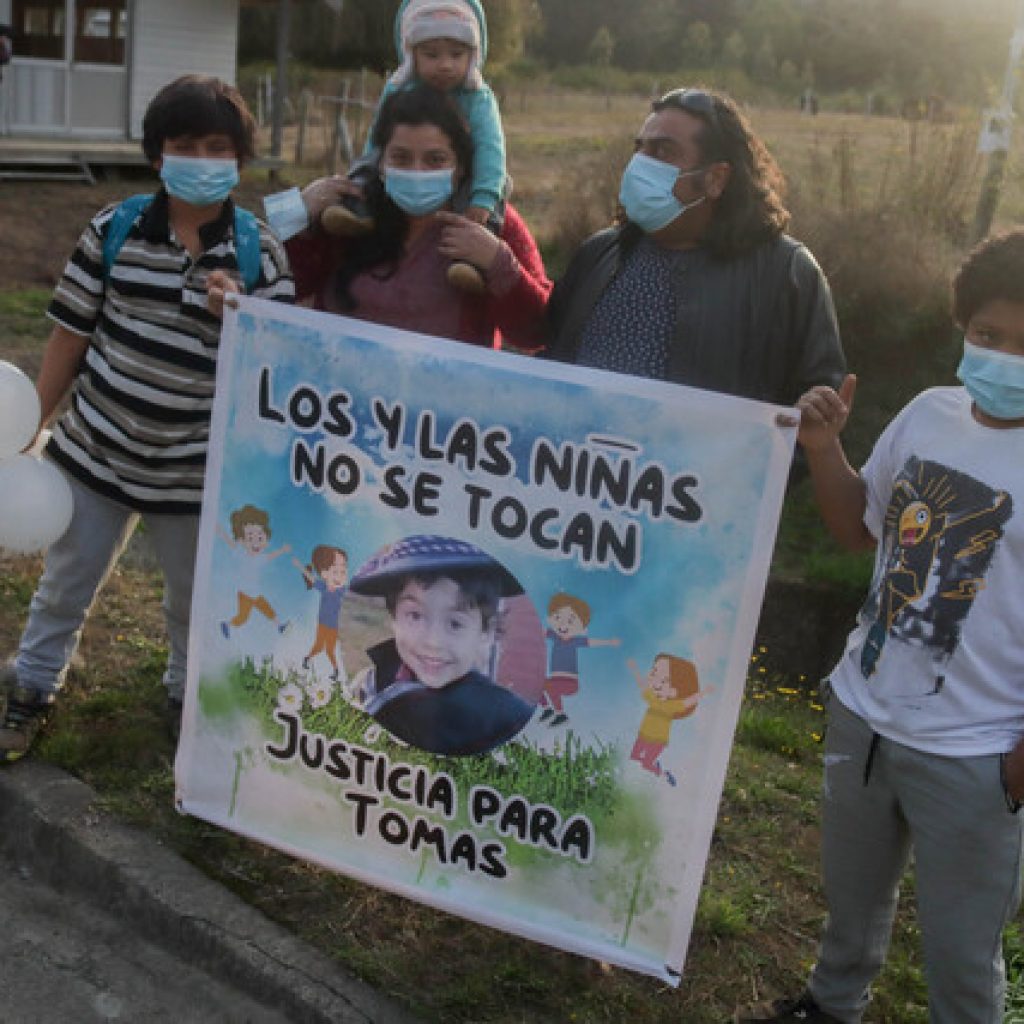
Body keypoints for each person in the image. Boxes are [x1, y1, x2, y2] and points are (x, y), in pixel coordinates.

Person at [736, 230, 1024, 1024]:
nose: (1003, 357)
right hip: (861, 717)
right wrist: (825, 448)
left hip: (974, 755)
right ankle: (830, 1008)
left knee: (963, 953)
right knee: (850, 908)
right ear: (964, 326)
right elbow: (860, 528)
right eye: (989, 336)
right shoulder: (930, 413)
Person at [0, 75, 294, 761]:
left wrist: (245, 318)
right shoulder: (116, 228)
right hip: (95, 456)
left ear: (240, 160)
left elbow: (277, 373)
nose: (199, 158)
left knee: (195, 598)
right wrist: (27, 426)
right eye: (183, 144)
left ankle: (183, 696)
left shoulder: (260, 256)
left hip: (195, 476)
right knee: (67, 580)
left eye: (217, 146)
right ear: (157, 155)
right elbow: (69, 337)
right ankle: (33, 687)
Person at [546, 87, 845, 406]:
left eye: (663, 152)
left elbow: (817, 410)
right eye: (640, 149)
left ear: (716, 178)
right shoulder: (599, 255)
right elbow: (549, 362)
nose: (639, 164)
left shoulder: (786, 274)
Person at [260, 83, 550, 353]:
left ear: (460, 166)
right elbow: (261, 284)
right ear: (380, 163)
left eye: (435, 160)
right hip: (335, 399)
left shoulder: (491, 224)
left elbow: (537, 333)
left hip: (443, 404)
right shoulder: (346, 215)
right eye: (400, 158)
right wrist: (296, 212)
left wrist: (497, 261)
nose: (417, 171)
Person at [321, 0, 507, 296]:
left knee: (497, 195)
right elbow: (378, 138)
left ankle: (471, 264)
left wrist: (483, 198)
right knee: (365, 163)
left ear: (473, 55)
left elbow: (491, 150)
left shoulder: (479, 99)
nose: (445, 64)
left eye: (456, 54)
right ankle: (358, 212)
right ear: (411, 54)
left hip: (467, 180)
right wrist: (369, 172)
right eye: (431, 55)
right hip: (384, 175)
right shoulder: (398, 88)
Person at [348, 535, 534, 757]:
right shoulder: (371, 683)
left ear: (487, 632)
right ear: (393, 617)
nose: (433, 642)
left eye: (455, 623)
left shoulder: (502, 718)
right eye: (415, 615)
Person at [540, 591, 620, 726]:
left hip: (570, 682)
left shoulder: (575, 641)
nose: (563, 625)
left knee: (549, 686)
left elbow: (591, 642)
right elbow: (540, 631)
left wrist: (608, 642)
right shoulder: (554, 636)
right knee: (538, 684)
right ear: (551, 619)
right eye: (558, 618)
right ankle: (547, 709)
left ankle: (560, 714)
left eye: (570, 621)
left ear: (582, 629)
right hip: (555, 680)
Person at [216, 505, 292, 639]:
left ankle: (279, 627)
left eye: (260, 538)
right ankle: (227, 624)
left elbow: (270, 556)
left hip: (253, 592)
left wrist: (282, 550)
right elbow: (230, 542)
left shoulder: (260, 558)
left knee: (258, 612)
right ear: (242, 540)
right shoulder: (241, 553)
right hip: (246, 593)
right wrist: (221, 532)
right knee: (247, 616)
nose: (256, 542)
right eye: (250, 538)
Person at [292, 544, 349, 682]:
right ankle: (307, 659)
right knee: (318, 646)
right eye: (335, 572)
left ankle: (335, 670)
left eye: (343, 572)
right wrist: (299, 565)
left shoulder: (343, 591)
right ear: (324, 574)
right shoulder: (323, 587)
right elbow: (310, 577)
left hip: (334, 627)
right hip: (323, 624)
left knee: (329, 650)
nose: (340, 577)